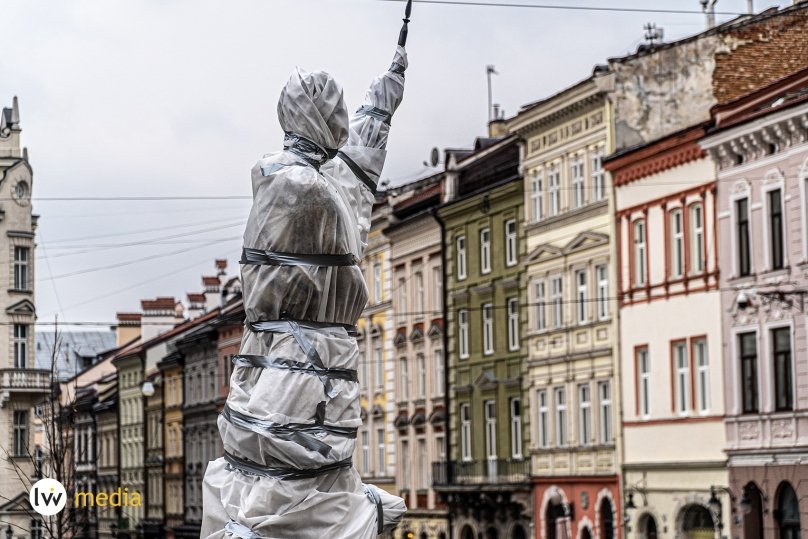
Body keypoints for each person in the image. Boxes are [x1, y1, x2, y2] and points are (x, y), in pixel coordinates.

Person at [200, 43, 408, 539]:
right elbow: (349, 191)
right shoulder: (301, 186)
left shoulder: (300, 177)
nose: (343, 123)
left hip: (306, 350)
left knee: (288, 457)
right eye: (336, 112)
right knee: (288, 459)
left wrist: (384, 99)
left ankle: (322, 507)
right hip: (301, 352)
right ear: (319, 119)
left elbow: (355, 170)